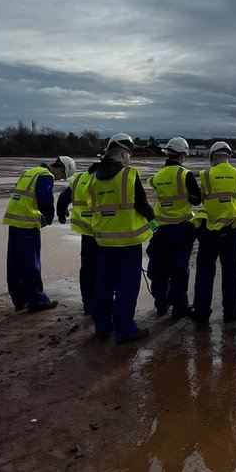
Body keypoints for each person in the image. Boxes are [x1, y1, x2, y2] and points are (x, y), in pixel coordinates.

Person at [88, 133, 157, 344]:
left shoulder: (93, 177)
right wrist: (153, 221)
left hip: (103, 240)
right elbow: (142, 204)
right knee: (127, 285)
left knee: (103, 284)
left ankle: (102, 328)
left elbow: (94, 206)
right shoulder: (129, 175)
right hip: (127, 241)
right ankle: (125, 329)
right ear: (124, 153)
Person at [2, 155, 76, 313]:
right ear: (61, 169)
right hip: (27, 223)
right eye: (62, 176)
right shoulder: (45, 175)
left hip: (14, 220)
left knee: (15, 264)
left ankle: (20, 299)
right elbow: (44, 199)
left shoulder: (31, 172)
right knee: (30, 264)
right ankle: (37, 300)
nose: (59, 179)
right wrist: (49, 217)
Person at [189, 141, 236, 325]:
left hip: (209, 232)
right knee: (231, 275)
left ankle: (201, 312)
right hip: (232, 230)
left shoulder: (206, 175)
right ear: (229, 156)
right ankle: (231, 312)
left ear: (213, 156)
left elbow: (202, 201)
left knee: (204, 274)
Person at [147, 136, 202, 321]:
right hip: (181, 229)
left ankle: (161, 305)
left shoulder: (156, 177)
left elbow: (153, 186)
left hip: (161, 229)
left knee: (161, 269)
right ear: (182, 155)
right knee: (179, 270)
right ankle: (179, 307)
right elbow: (197, 199)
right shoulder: (184, 174)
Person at [57, 157, 101, 315]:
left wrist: (61, 214)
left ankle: (88, 304)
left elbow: (63, 198)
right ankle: (102, 304)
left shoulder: (79, 178)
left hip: (86, 233)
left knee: (88, 269)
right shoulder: (107, 178)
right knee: (104, 269)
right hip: (105, 233)